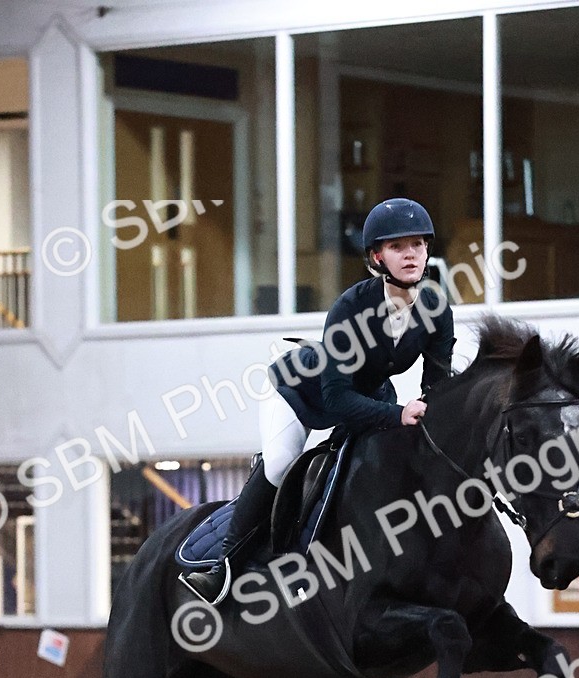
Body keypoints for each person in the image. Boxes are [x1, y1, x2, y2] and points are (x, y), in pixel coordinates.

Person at [183, 197, 455, 605]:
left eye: (417, 244)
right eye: (397, 246)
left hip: (371, 394)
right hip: (302, 391)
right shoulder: (350, 308)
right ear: (377, 256)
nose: (410, 254)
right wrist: (399, 414)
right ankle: (223, 565)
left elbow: (437, 384)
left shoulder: (435, 307)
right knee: (280, 464)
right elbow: (337, 398)